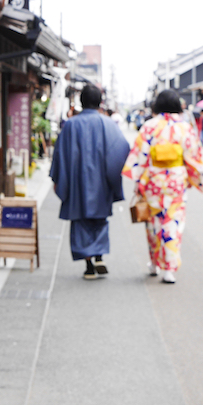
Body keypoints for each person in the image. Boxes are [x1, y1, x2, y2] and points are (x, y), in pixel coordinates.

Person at [122, 90, 203, 284]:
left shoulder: (149, 126)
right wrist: (193, 178)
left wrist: (138, 181)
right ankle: (170, 269)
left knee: (153, 224)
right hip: (175, 182)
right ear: (178, 105)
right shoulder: (185, 127)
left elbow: (140, 155)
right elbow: (193, 155)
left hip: (153, 182)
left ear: (157, 106)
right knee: (173, 224)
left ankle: (154, 263)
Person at [50, 85, 130, 279]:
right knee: (99, 220)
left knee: (80, 222)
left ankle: (88, 267)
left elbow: (60, 155)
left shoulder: (70, 125)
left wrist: (58, 179)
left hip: (77, 182)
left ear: (81, 101)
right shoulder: (108, 124)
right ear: (100, 102)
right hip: (101, 182)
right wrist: (113, 177)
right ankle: (99, 256)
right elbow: (122, 148)